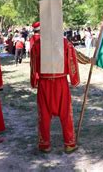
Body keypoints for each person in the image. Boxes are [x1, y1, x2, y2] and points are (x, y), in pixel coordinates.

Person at [30, 21, 80, 154]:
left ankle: (44, 144)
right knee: (65, 114)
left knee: (44, 115)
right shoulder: (65, 43)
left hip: (44, 83)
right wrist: (74, 79)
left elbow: (33, 64)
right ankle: (69, 143)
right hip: (61, 82)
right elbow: (72, 60)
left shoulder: (37, 44)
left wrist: (34, 81)